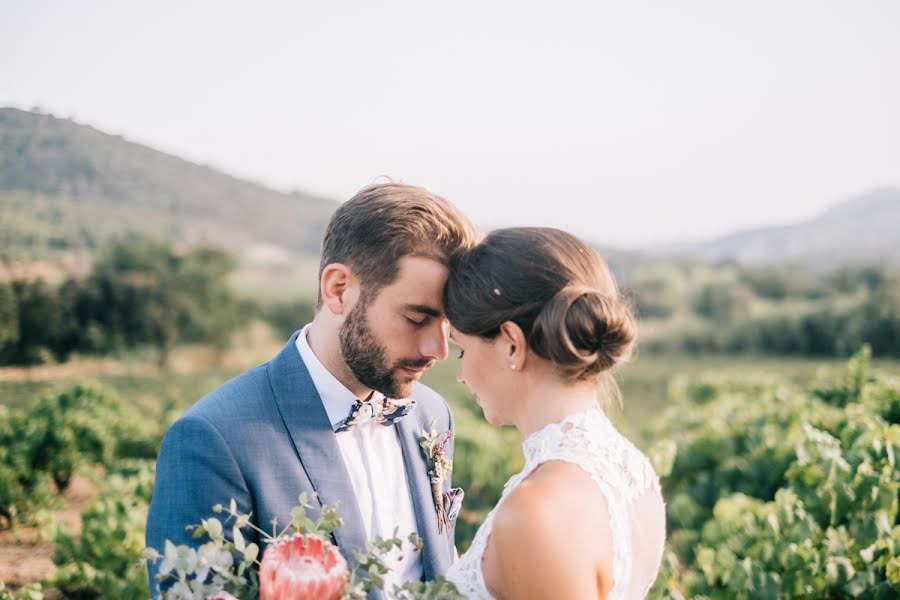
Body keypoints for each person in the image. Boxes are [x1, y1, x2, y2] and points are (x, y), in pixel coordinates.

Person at [145, 183, 478, 597]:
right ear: (339, 289)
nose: (438, 350)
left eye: (448, 326)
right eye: (416, 318)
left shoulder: (431, 413)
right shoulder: (213, 439)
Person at [443, 227, 666, 599]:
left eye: (462, 351)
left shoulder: (536, 511)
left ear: (512, 345)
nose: (462, 377)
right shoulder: (632, 472)